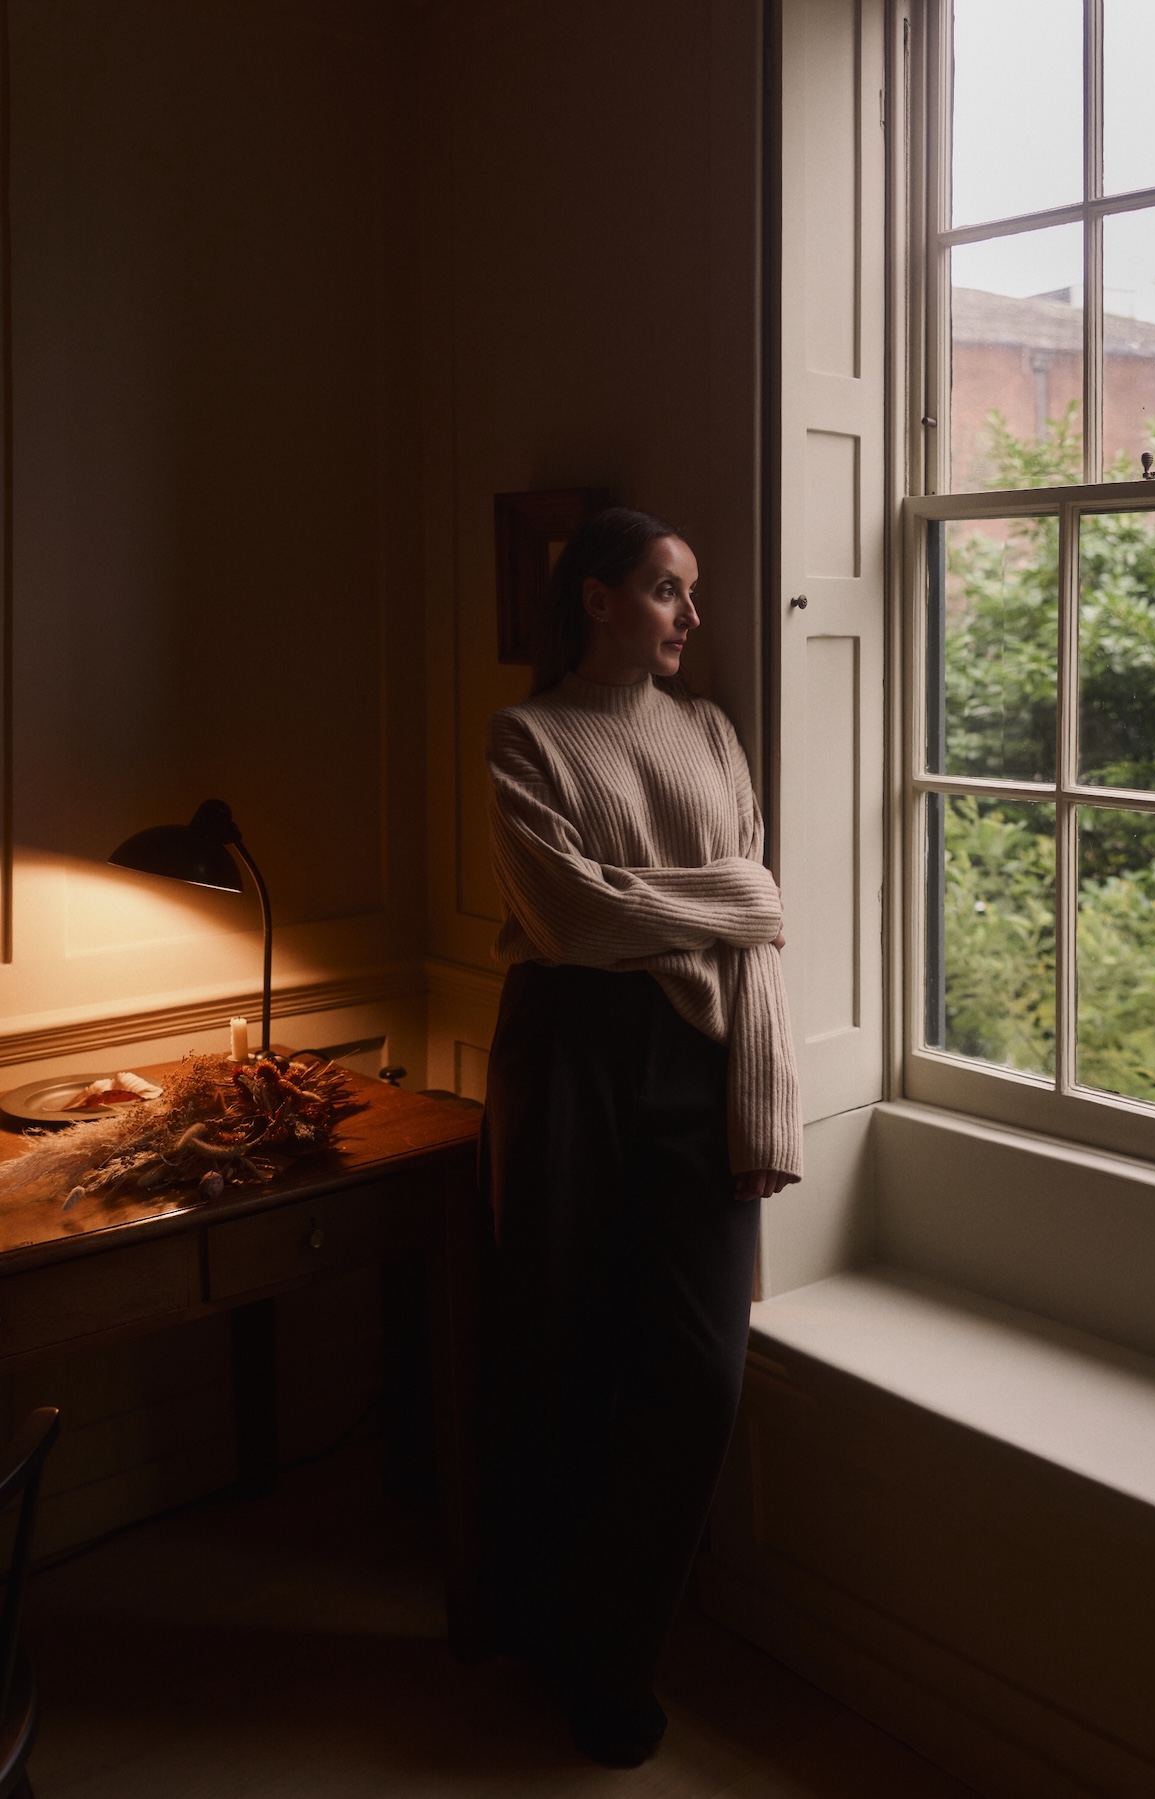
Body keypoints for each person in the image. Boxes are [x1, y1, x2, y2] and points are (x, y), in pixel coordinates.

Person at [481, 506, 802, 1766]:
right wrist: (715, 904)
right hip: (568, 1052)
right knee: (556, 1343)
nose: (691, 617)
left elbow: (763, 918)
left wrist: (763, 1095)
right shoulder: (527, 736)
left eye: (694, 592)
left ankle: (609, 1644)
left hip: (702, 1062)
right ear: (599, 598)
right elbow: (565, 921)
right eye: (669, 590)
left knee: (694, 1377)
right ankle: (546, 1628)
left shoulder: (712, 732)